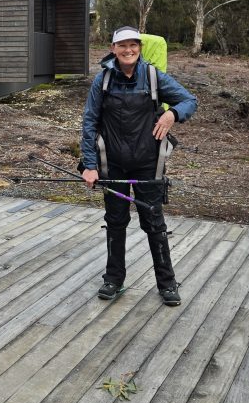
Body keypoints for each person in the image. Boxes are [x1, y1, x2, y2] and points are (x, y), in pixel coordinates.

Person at [80, 26, 198, 306]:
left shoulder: (154, 77)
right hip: (113, 165)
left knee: (154, 222)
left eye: (133, 45)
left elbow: (190, 100)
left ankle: (167, 283)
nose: (128, 50)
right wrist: (89, 165)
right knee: (115, 222)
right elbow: (89, 123)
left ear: (139, 48)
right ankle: (113, 279)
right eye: (122, 46)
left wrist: (172, 114)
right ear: (113, 49)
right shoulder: (103, 80)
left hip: (148, 165)